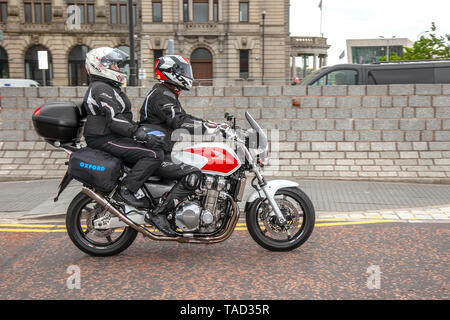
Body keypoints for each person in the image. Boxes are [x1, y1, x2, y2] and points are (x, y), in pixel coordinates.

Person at [139, 55, 223, 233]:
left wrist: (209, 124)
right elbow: (178, 121)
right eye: (183, 71)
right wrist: (206, 129)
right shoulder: (161, 95)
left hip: (160, 150)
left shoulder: (166, 93)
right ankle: (159, 214)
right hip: (154, 153)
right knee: (192, 175)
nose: (188, 75)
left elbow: (184, 117)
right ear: (171, 72)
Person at [82, 47, 166, 215]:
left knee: (158, 144)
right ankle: (125, 191)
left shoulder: (107, 87)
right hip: (104, 138)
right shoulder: (101, 88)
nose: (118, 69)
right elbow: (114, 119)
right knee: (153, 154)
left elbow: (121, 119)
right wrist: (139, 134)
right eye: (113, 65)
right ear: (99, 65)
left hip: (110, 135)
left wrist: (143, 130)